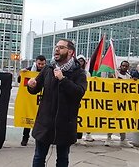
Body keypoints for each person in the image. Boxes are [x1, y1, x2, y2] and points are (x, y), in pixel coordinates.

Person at [27, 39, 87, 167]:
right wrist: (32, 86)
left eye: (61, 47)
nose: (57, 50)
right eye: (56, 47)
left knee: (62, 159)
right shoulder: (48, 68)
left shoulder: (79, 73)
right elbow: (36, 88)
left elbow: (79, 93)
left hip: (65, 124)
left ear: (70, 52)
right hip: (45, 123)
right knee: (39, 157)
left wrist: (63, 79)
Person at [18, 55, 46, 146]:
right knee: (29, 118)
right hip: (31, 98)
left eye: (43, 64)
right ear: (36, 62)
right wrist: (21, 74)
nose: (41, 66)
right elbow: (21, 81)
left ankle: (41, 139)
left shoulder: (48, 71)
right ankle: (25, 138)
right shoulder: (29, 70)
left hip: (42, 99)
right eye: (39, 64)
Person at [104, 60, 133, 148]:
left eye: (126, 66)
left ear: (128, 67)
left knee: (122, 121)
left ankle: (123, 139)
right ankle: (108, 138)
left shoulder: (128, 77)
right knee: (112, 120)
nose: (124, 67)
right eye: (123, 65)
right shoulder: (114, 74)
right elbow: (108, 84)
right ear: (120, 66)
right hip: (114, 101)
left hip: (124, 102)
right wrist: (114, 79)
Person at [76, 55, 94, 145]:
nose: (80, 63)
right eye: (79, 61)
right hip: (76, 96)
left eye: (82, 61)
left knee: (83, 116)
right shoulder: (74, 71)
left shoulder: (87, 73)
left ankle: (80, 136)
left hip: (85, 96)